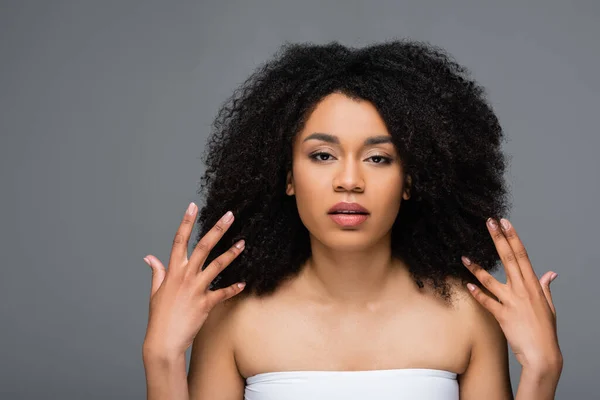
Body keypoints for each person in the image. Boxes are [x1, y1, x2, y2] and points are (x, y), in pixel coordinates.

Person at [141, 39, 563, 400]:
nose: (349, 181)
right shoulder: (231, 319)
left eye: (378, 158)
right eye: (322, 155)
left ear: (410, 181)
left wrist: (542, 371)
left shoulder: (469, 315)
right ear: (287, 176)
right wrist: (162, 358)